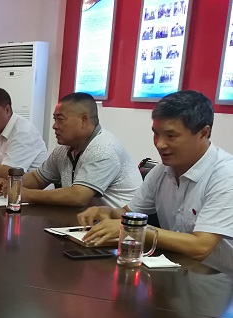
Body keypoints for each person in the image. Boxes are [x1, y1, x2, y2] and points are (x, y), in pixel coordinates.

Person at [78, 90, 233, 276]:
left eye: (171, 136)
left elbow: (201, 247)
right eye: (156, 134)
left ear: (203, 133)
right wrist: (106, 212)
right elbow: (129, 214)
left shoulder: (225, 175)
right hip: (179, 272)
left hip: (221, 281)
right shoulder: (162, 171)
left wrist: (136, 229)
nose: (160, 144)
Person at [0, 93, 141, 208]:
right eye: (54, 119)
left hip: (120, 228)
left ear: (84, 120)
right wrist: (13, 184)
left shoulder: (103, 149)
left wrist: (27, 194)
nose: (54, 126)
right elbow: (37, 179)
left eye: (60, 119)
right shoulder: (64, 150)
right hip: (84, 222)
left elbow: (78, 196)